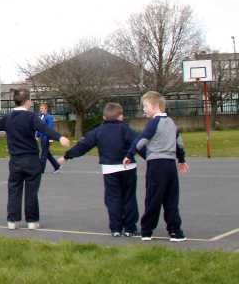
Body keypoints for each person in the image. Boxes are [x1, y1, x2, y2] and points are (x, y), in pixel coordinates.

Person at [0, 88, 70, 229]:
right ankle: (32, 221)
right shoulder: (31, 117)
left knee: (14, 189)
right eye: (30, 100)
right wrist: (60, 137)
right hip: (31, 160)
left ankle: (12, 221)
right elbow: (45, 129)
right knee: (31, 191)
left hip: (15, 161)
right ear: (27, 102)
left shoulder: (8, 117)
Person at [58, 102, 138, 236]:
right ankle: (130, 228)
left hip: (109, 169)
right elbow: (138, 143)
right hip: (128, 167)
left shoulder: (99, 131)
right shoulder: (126, 129)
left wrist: (67, 156)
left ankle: (116, 228)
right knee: (129, 198)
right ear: (121, 116)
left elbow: (83, 145)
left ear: (104, 117)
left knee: (112, 198)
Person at [125, 91, 188, 242]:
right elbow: (179, 144)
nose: (144, 109)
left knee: (153, 197)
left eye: (145, 106)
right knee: (171, 199)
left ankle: (146, 231)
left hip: (156, 165)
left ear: (155, 106)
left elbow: (141, 140)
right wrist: (181, 160)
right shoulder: (172, 123)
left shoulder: (153, 123)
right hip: (170, 165)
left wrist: (129, 154)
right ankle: (175, 231)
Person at [36, 103, 61, 174]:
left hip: (46, 138)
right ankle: (57, 166)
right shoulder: (41, 117)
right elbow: (39, 127)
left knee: (43, 154)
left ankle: (41, 170)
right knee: (47, 154)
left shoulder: (49, 117)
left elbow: (50, 128)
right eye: (40, 108)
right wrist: (37, 135)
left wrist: (50, 138)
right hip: (42, 137)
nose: (41, 110)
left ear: (46, 109)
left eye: (42, 108)